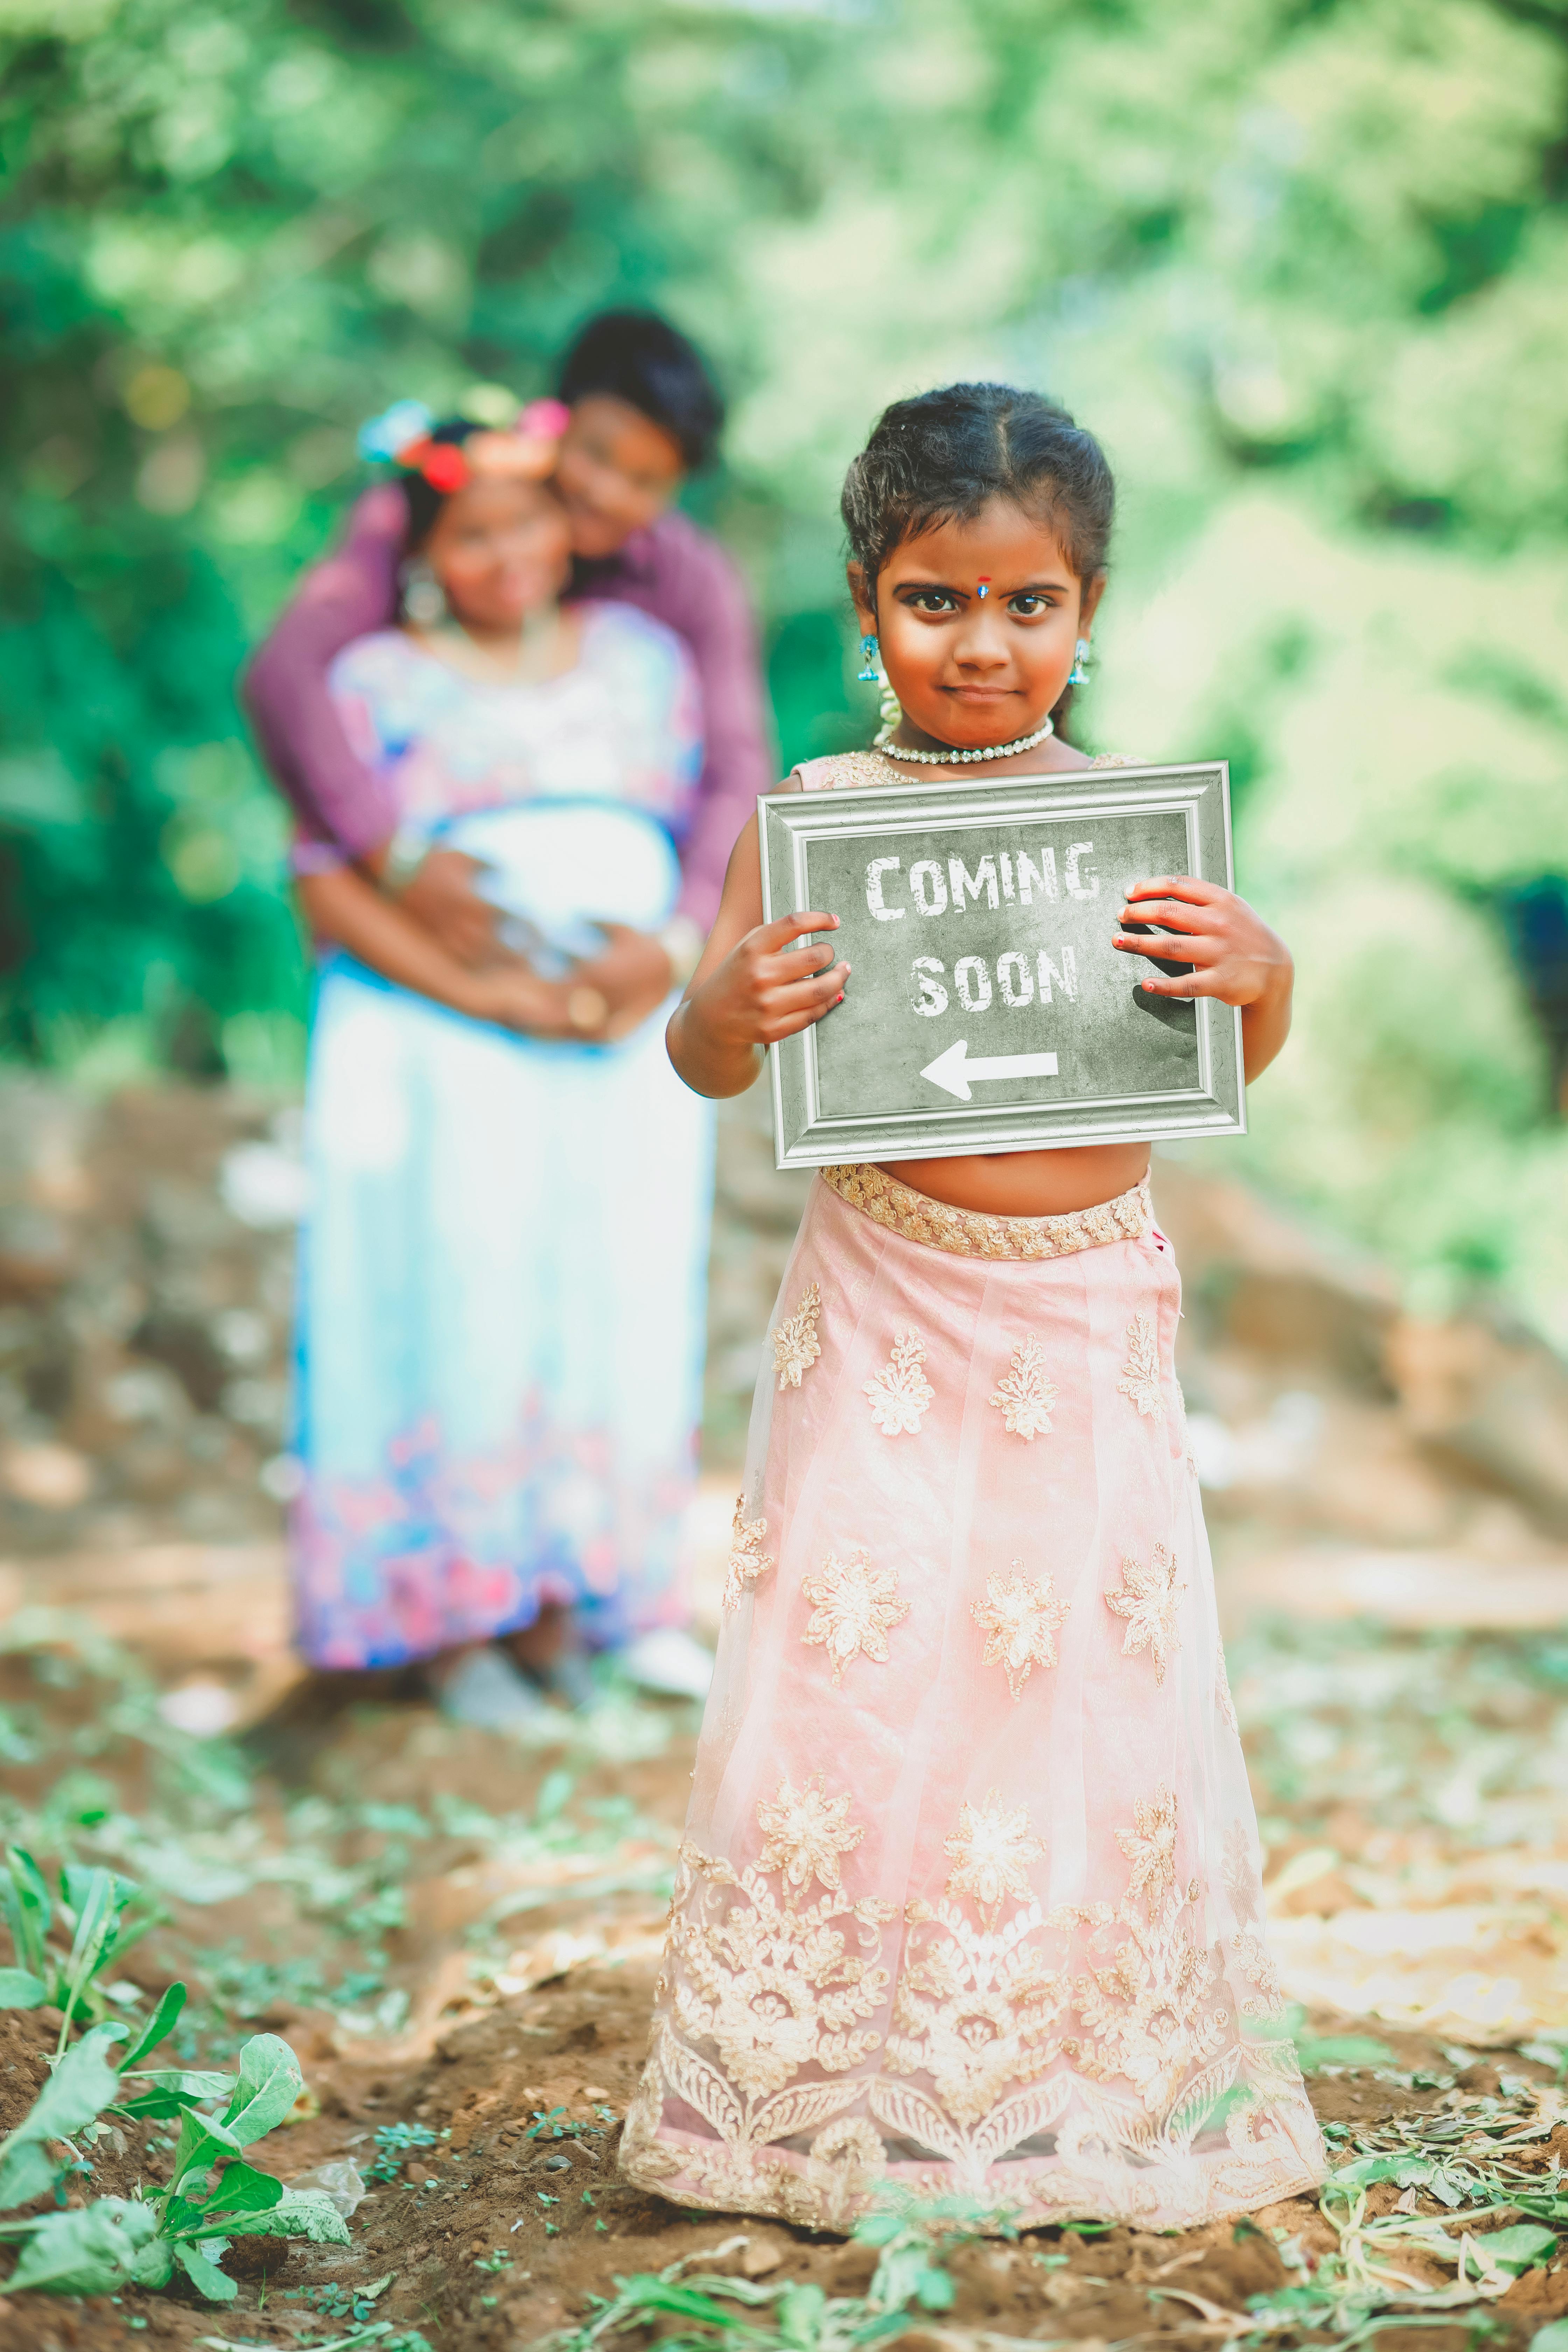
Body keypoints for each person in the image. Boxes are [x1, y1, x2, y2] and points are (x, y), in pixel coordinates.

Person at [619, 385, 1325, 2227]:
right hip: (882, 1302)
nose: (984, 643)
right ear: (869, 601)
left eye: (1030, 605)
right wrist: (731, 1009)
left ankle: (1049, 2065)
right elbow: (699, 1051)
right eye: (938, 601)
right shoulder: (819, 818)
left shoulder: (1132, 828)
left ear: (1088, 611)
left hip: (1083, 1312)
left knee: (1075, 1679)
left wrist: (1266, 975)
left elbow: (1225, 1042)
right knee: (867, 1668)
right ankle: (820, 2078)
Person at [289, 406, 716, 1725]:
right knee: (463, 1290)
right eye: (472, 532)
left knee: (608, 1288)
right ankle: (450, 1620)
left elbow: (711, 808)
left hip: (614, 1038)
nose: (508, 552)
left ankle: (568, 1606)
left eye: (527, 520)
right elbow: (324, 888)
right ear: (425, 551)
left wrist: (658, 958)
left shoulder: (646, 659)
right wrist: (490, 993)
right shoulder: (376, 683)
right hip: (444, 1041)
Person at [242, 311, 771, 1003]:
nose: (606, 493)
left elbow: (738, 772)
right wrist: (392, 857)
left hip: (614, 983)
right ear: (552, 422)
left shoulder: (692, 583)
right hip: (417, 954)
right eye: (597, 454)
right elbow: (287, 674)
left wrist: (679, 945)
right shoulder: (429, 512)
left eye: (645, 482)